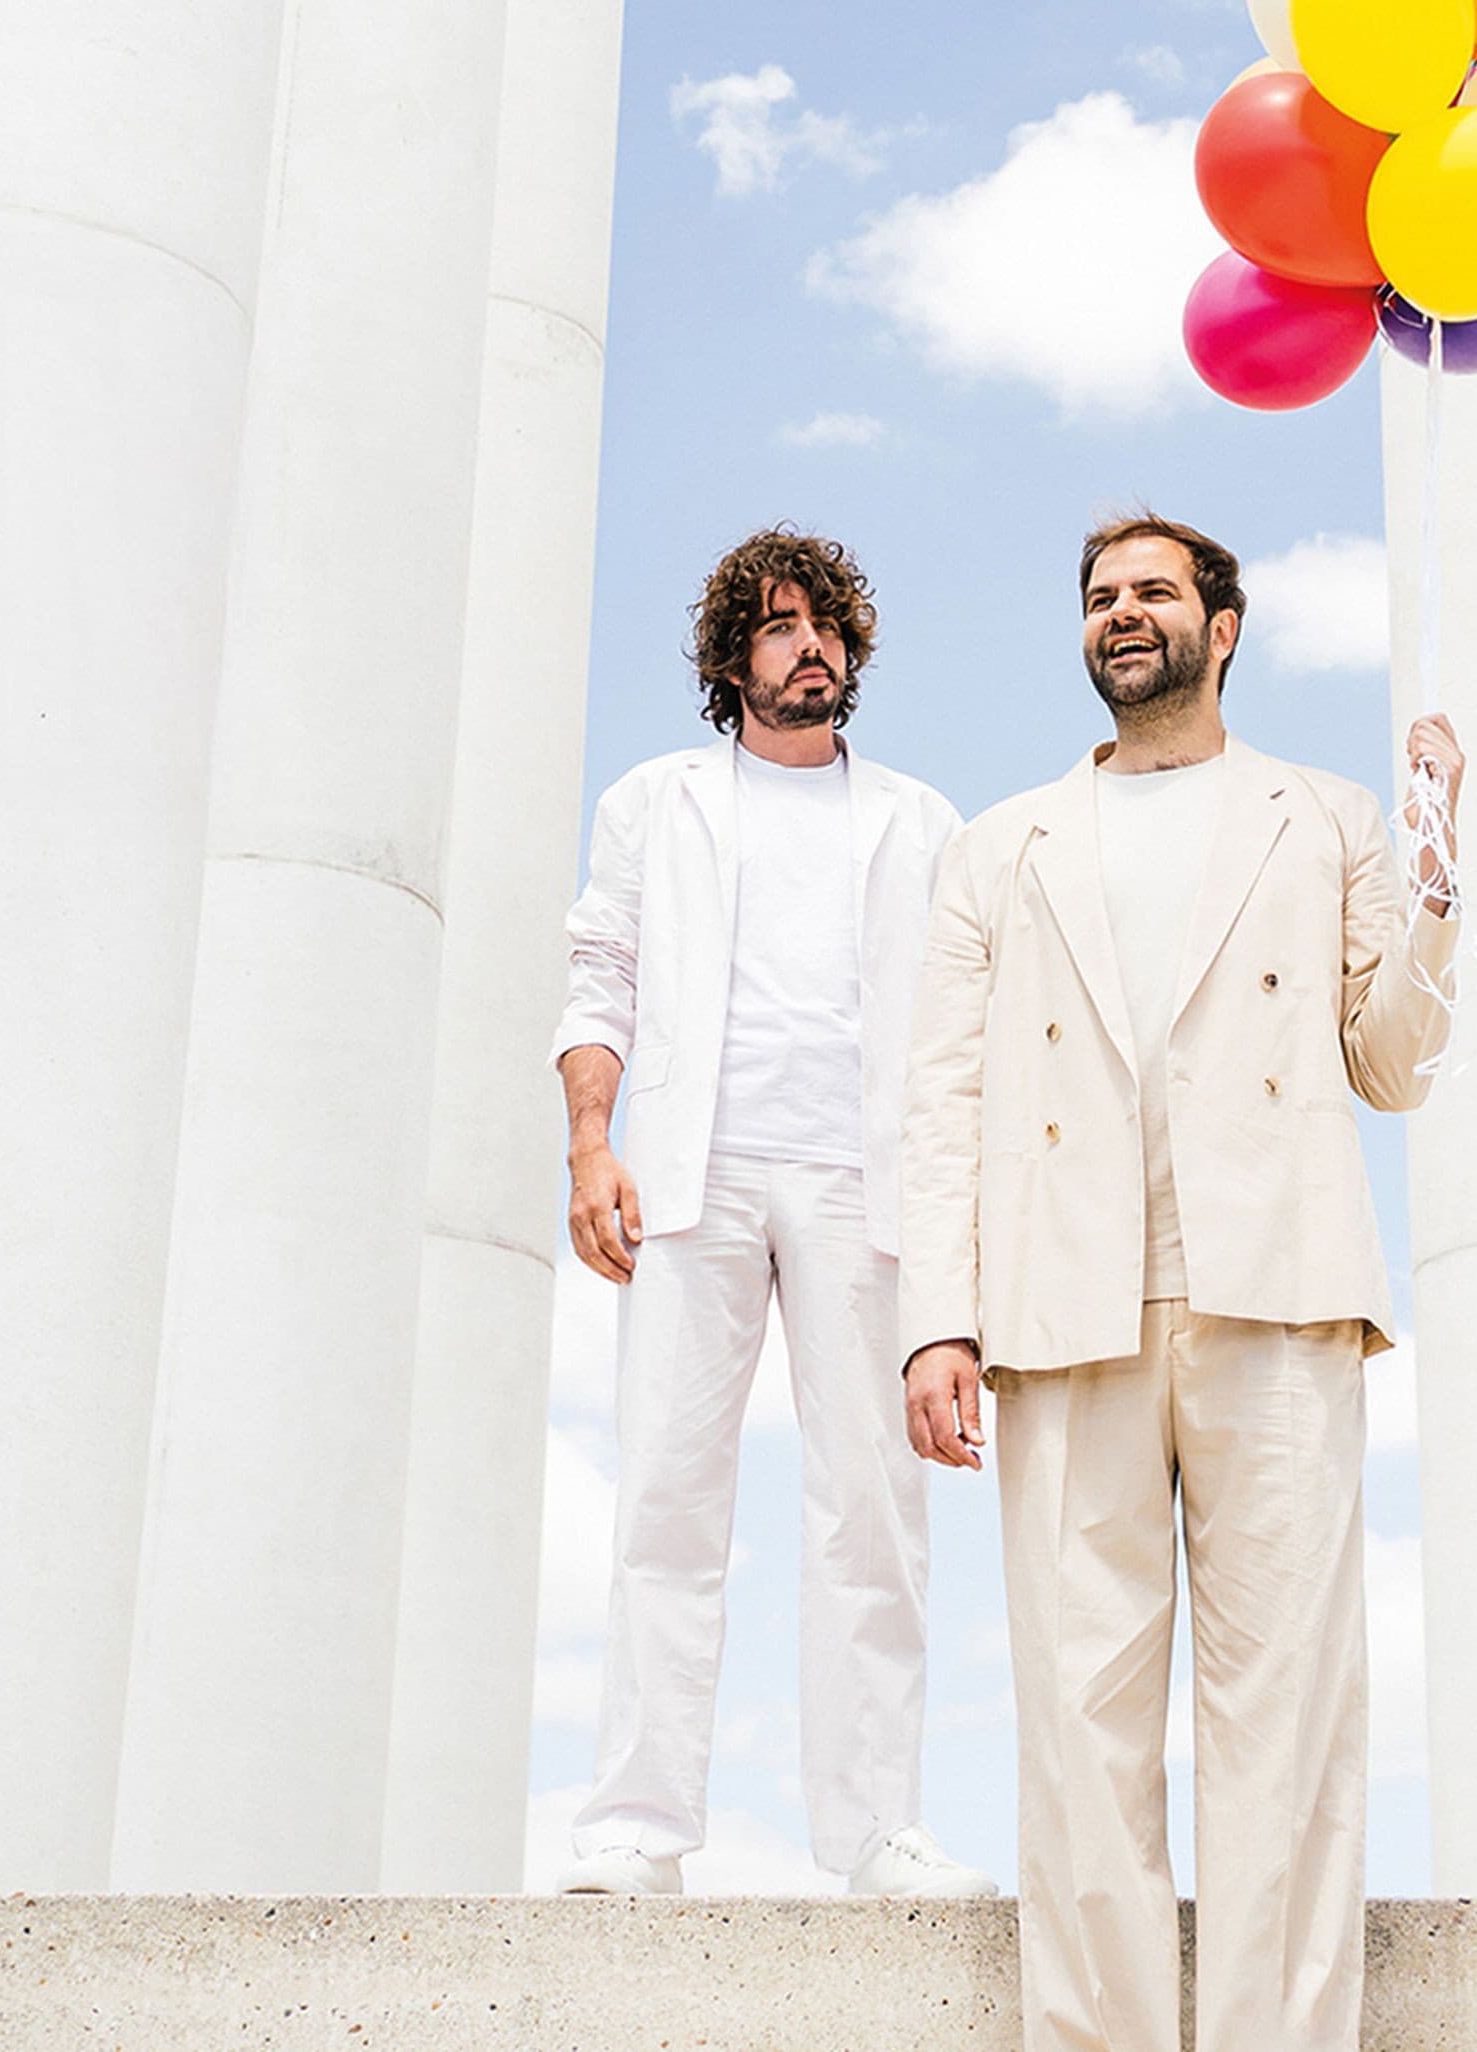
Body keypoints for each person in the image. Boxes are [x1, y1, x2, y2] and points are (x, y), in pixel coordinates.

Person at [897, 513, 1463, 2050]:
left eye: (1154, 591)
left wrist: (1433, 870)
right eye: (1099, 596)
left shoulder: (1331, 814)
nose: (1121, 613)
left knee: (1283, 1721)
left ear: (1224, 626)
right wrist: (935, 1321)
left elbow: (1392, 1064)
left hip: (1275, 1295)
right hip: (1058, 1306)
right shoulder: (995, 849)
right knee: (1079, 1735)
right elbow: (942, 1096)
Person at [550, 526, 993, 1901]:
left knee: (873, 1509)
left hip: (866, 1188)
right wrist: (589, 1147)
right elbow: (599, 976)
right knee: (668, 1497)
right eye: (781, 625)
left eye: (828, 627)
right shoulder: (653, 802)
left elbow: (964, 1030)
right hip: (694, 1174)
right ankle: (636, 1827)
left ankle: (877, 1836)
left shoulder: (922, 823)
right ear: (732, 652)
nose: (812, 647)